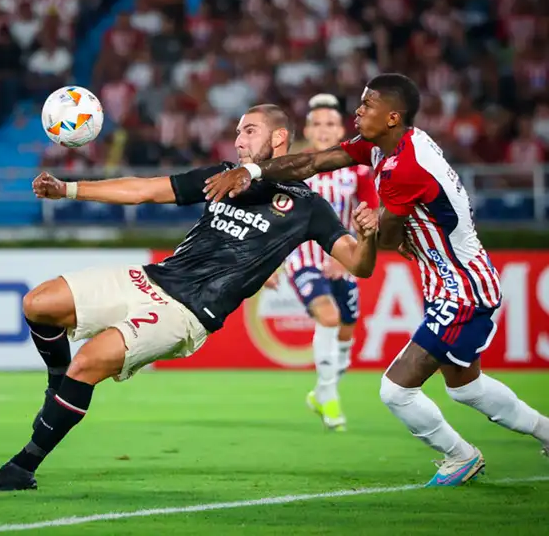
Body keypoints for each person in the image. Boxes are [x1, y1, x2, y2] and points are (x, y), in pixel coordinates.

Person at [0, 104, 380, 491]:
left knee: (88, 363)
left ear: (279, 138)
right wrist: (70, 189)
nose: (238, 140)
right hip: (153, 276)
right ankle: (56, 383)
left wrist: (367, 236)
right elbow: (145, 190)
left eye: (249, 131)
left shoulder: (309, 206)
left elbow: (358, 265)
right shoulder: (223, 175)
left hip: (186, 310)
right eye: (237, 132)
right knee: (38, 303)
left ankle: (23, 466)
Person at [203, 74, 549, 486]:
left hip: (463, 290)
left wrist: (371, 227)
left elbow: (387, 239)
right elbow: (313, 161)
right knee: (465, 388)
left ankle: (460, 456)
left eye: (367, 105)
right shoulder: (390, 145)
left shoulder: (406, 168)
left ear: (393, 116)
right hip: (454, 283)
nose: (358, 110)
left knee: (395, 391)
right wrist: (253, 172)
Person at [274, 93, 379, 431]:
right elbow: (277, 218)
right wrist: (270, 262)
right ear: (307, 129)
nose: (323, 129)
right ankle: (330, 399)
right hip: (303, 257)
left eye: (330, 124)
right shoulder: (294, 167)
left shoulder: (358, 169)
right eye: (316, 123)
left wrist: (350, 258)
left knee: (346, 333)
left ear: (342, 130)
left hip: (343, 259)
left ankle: (322, 390)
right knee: (328, 316)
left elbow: (370, 214)